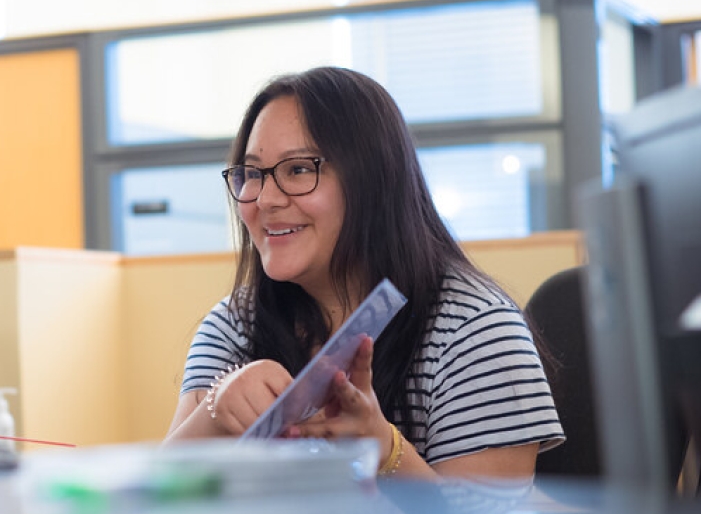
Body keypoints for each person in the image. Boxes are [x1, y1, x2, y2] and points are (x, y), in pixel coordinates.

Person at [165, 67, 563, 480]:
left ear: (373, 181)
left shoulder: (473, 327)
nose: (264, 199)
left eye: (299, 170)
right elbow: (156, 510)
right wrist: (216, 410)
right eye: (252, 174)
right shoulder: (234, 324)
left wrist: (385, 449)